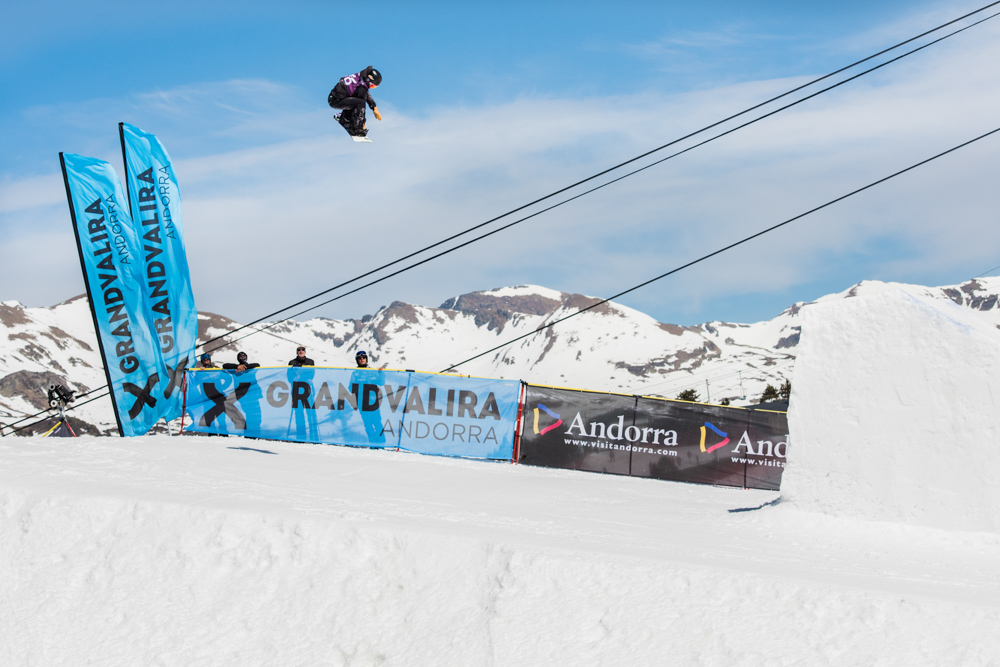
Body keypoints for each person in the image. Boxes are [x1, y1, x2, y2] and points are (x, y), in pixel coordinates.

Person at [328, 66, 383, 137]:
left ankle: (345, 118)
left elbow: (366, 94)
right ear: (369, 81)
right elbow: (362, 105)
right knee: (360, 103)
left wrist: (374, 107)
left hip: (334, 97)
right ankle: (355, 129)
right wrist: (362, 125)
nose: (371, 88)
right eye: (372, 86)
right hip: (335, 101)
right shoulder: (362, 88)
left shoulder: (360, 77)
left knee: (356, 100)